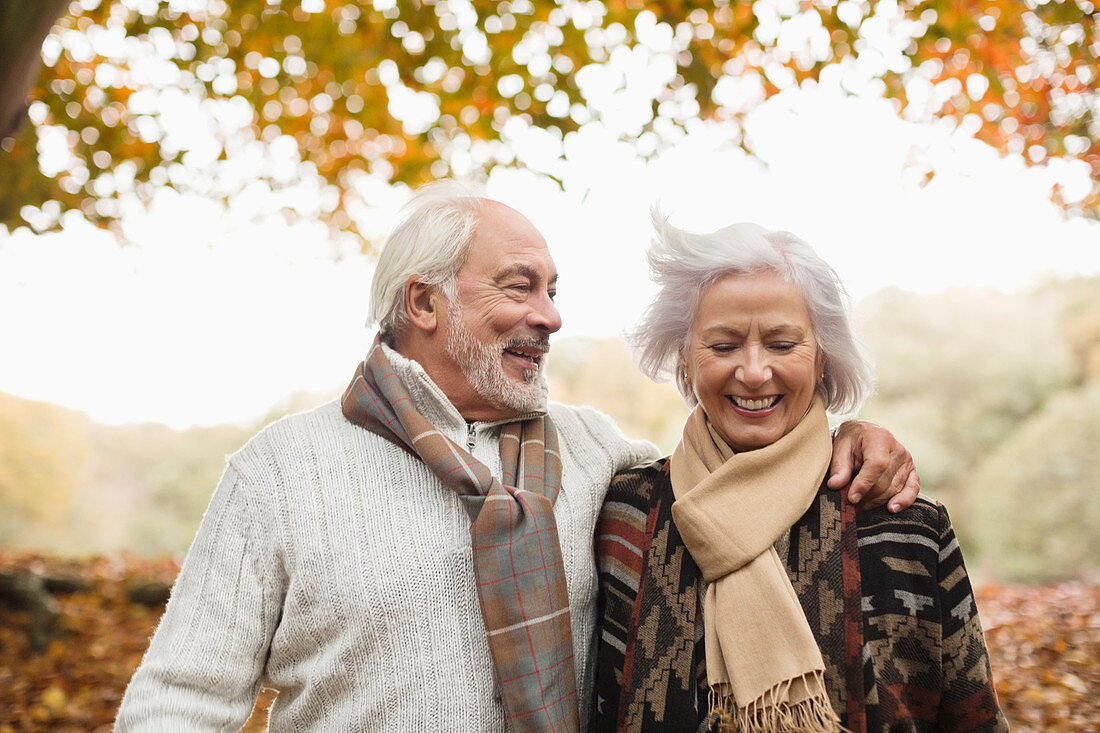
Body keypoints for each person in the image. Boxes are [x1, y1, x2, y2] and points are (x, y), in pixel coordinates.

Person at [116, 182, 919, 732]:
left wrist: (841, 435)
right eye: (520, 287)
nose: (551, 316)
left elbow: (733, 476)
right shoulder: (283, 471)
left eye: (554, 290)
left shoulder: (597, 451)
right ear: (423, 301)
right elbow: (179, 699)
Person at [593, 215, 1006, 732]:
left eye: (783, 344)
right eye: (722, 346)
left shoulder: (904, 521)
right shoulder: (626, 511)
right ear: (685, 357)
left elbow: (972, 719)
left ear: (823, 358)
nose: (753, 372)